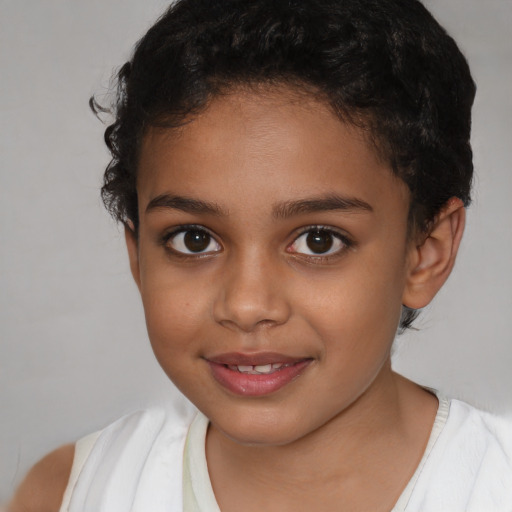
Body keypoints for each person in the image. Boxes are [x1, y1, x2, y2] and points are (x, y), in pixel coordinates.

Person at [8, 0, 512, 510]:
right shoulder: (70, 492)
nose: (247, 305)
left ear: (426, 252)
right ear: (137, 255)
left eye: (319, 240)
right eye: (194, 239)